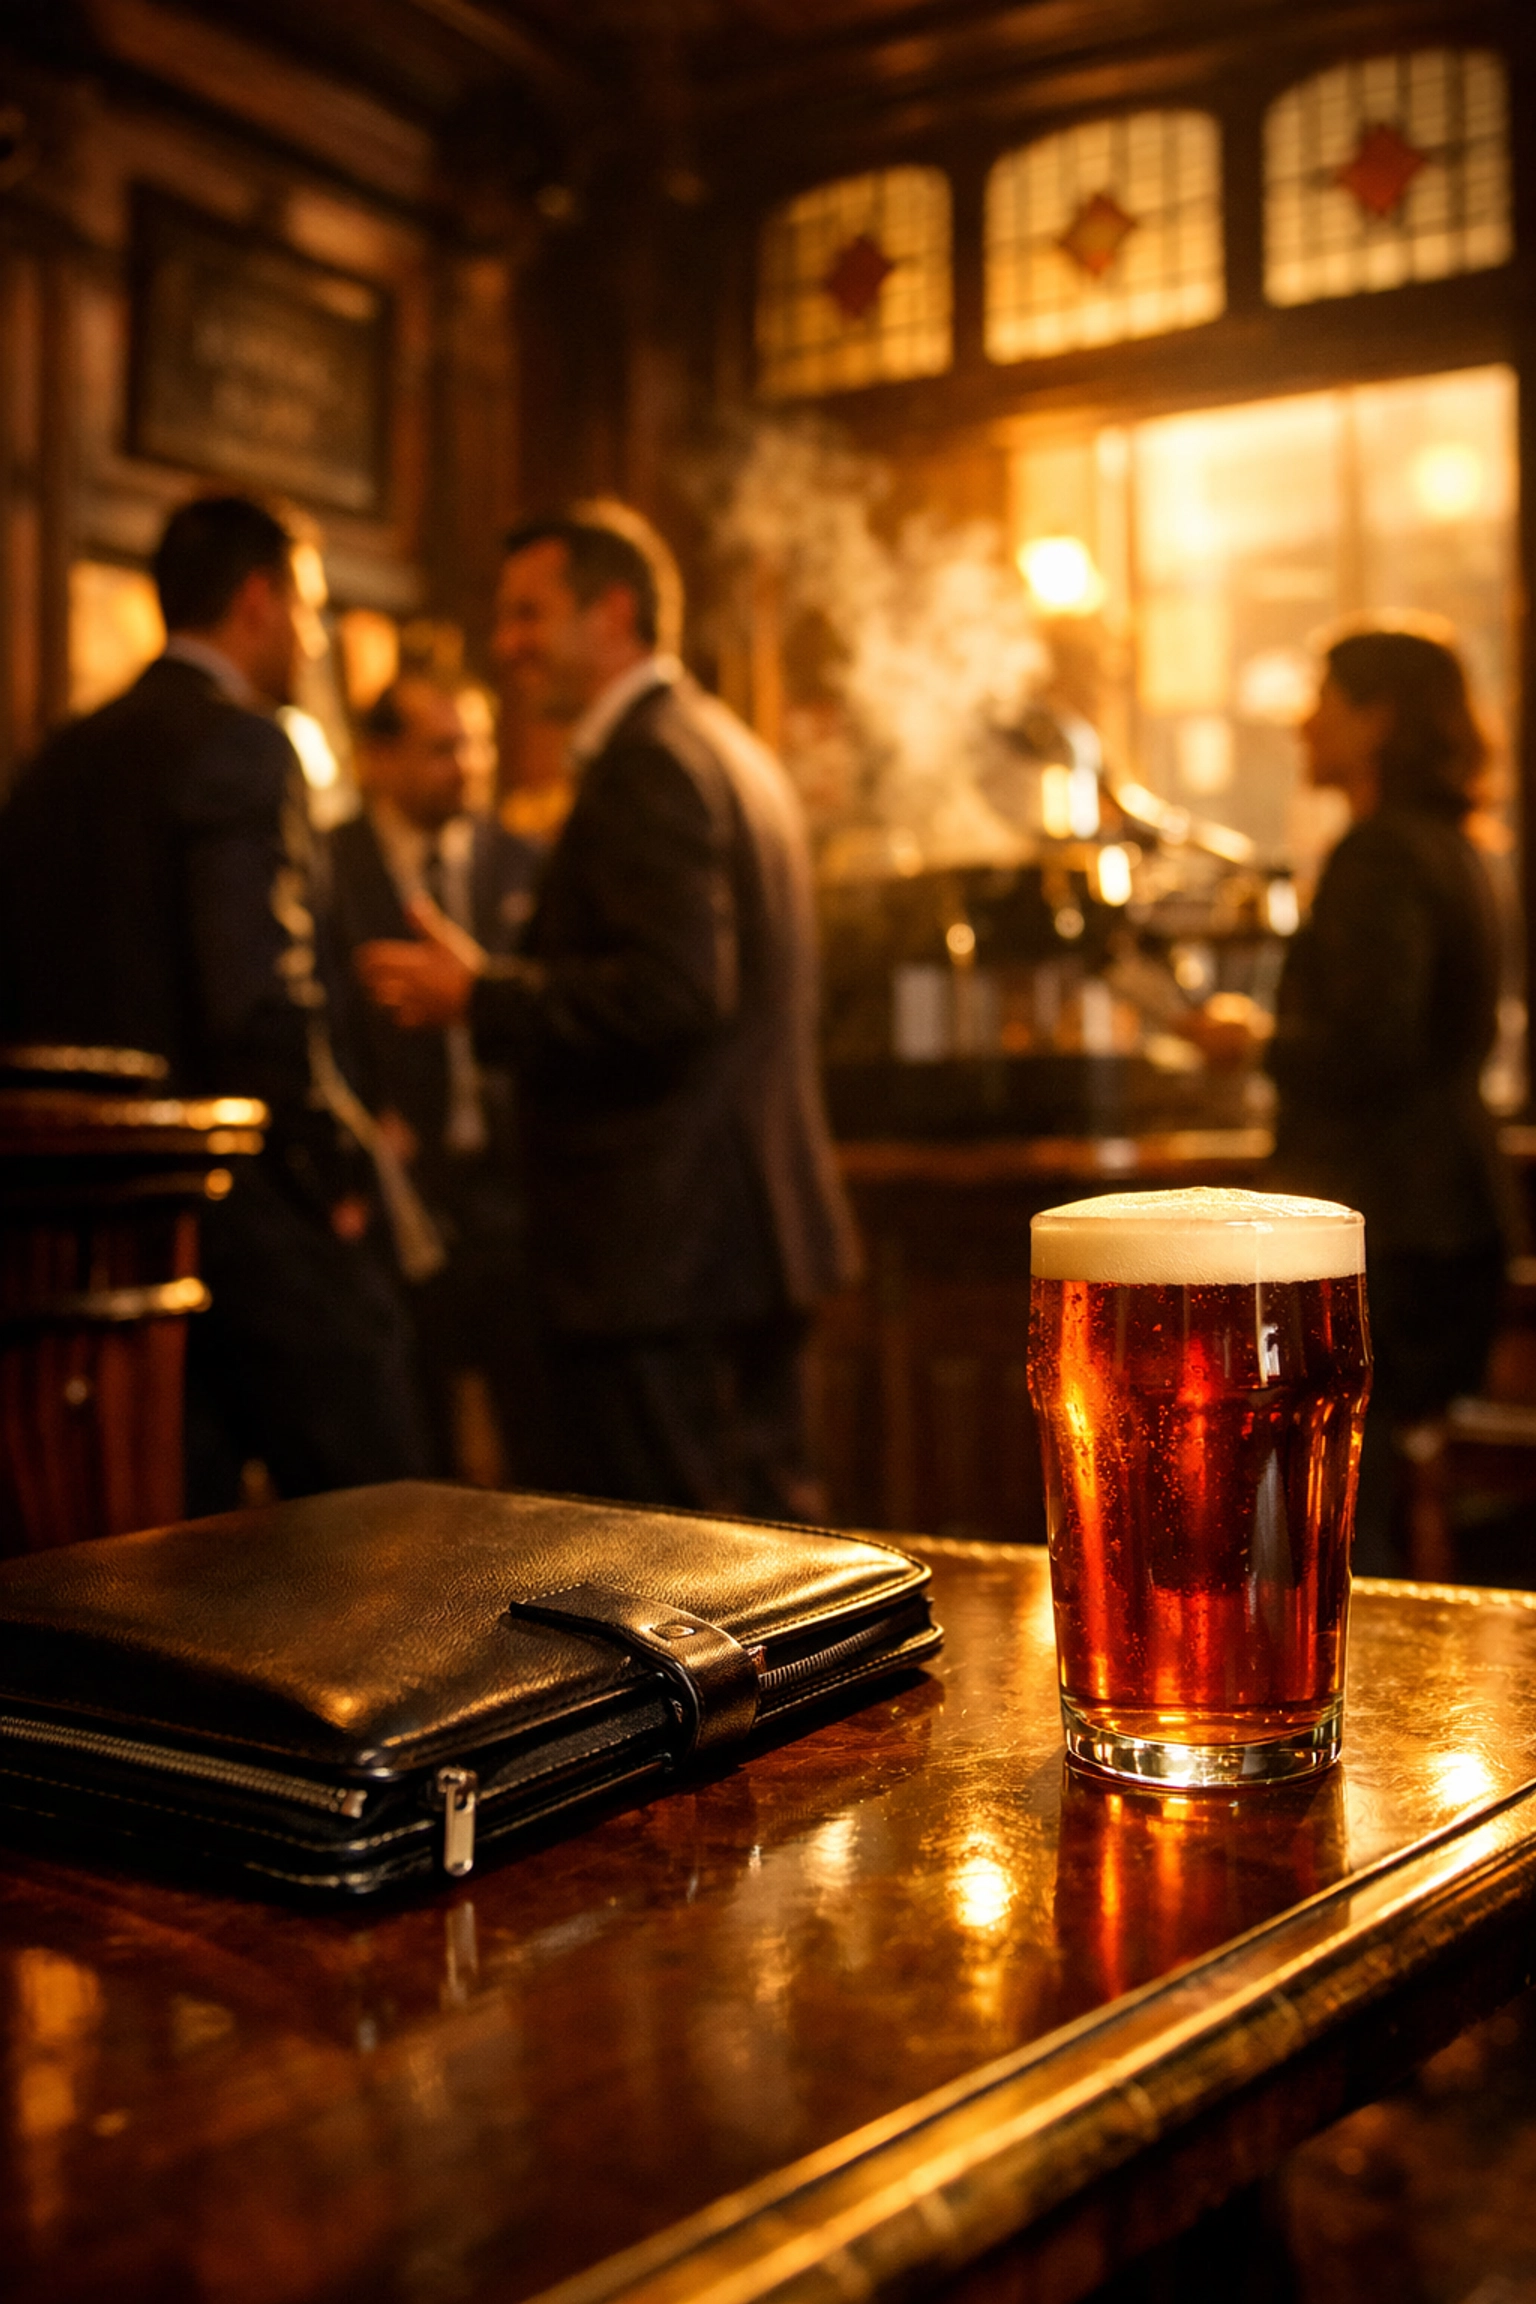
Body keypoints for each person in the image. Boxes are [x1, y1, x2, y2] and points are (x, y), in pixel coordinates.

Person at [358, 504, 860, 1518]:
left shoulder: (651, 762)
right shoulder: (723, 745)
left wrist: (480, 995)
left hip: (665, 1261)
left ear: (615, 613)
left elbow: (673, 995)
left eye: (529, 614)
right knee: (771, 1562)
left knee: (686, 1574)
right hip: (737, 1243)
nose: (506, 644)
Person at [0, 493, 429, 1511]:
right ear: (258, 600)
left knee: (167, 1536)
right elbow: (257, 1000)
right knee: (386, 1523)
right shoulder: (242, 745)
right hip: (242, 1207)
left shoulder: (59, 757)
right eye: (311, 610)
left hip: (82, 1235)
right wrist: (335, 1167)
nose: (315, 640)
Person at [1265, 622, 1515, 1572]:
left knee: (1342, 1487)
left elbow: (1372, 1046)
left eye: (1324, 700)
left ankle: (1354, 1655)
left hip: (1387, 1217)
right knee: (1384, 1477)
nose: (1303, 723)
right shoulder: (1457, 846)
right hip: (1452, 1208)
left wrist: (1257, 1045)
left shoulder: (1381, 855)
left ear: (1377, 719)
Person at [329, 675, 542, 1481]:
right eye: (444, 748)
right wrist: (363, 1121)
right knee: (412, 1450)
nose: (471, 765)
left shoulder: (522, 861)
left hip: (510, 1189)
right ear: (380, 759)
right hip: (394, 1191)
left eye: (479, 744)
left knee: (538, 1448)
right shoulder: (329, 864)